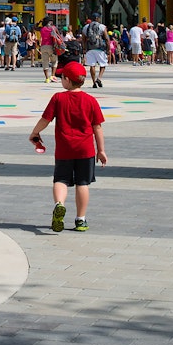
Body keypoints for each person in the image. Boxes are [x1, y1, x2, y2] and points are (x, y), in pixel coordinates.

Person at [32, 61, 106, 233]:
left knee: (61, 180)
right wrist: (101, 150)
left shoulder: (58, 98)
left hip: (64, 149)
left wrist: (34, 133)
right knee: (82, 183)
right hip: (85, 149)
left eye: (61, 77)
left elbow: (45, 120)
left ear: (67, 79)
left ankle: (59, 204)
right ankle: (80, 219)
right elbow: (97, 127)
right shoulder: (91, 100)